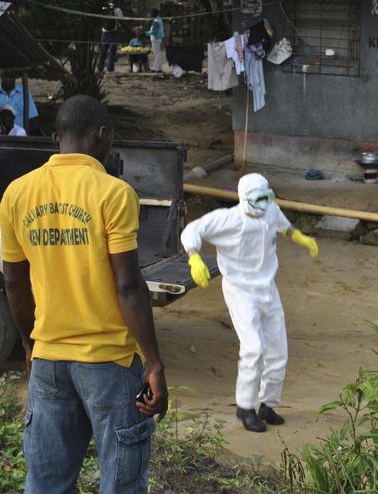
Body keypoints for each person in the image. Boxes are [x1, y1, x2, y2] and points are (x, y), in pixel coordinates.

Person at [0, 95, 168, 492]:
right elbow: (128, 284)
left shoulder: (16, 194)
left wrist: (29, 342)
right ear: (103, 135)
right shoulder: (113, 193)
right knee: (120, 484)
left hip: (49, 361)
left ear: (57, 137)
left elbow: (13, 282)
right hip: (108, 362)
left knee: (45, 482)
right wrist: (154, 363)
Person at [180, 173, 318, 432]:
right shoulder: (227, 219)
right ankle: (245, 407)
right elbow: (192, 230)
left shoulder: (271, 210)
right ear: (244, 198)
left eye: (267, 197)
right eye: (259, 199)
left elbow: (282, 223)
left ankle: (268, 403)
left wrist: (298, 236)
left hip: (268, 287)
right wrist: (194, 257)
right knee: (254, 347)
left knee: (278, 348)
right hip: (240, 290)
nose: (264, 204)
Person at [97, 1, 124, 74]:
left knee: (103, 50)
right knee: (112, 51)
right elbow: (121, 21)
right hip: (113, 32)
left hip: (104, 31)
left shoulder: (103, 8)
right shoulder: (117, 10)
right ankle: (110, 69)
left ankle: (100, 68)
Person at [146, 9, 165, 73]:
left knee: (156, 54)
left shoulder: (156, 21)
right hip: (158, 38)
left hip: (155, 38)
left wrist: (146, 33)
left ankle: (156, 68)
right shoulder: (159, 20)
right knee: (158, 53)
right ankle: (159, 68)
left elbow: (154, 31)